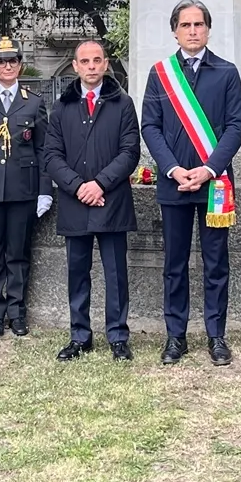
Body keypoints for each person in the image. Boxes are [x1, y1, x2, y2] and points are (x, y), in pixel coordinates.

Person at [141, 0, 241, 366]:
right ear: (175, 31)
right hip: (174, 184)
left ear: (208, 29)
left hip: (214, 185)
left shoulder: (227, 72)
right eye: (185, 25)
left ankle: (216, 335)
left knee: (215, 262)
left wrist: (210, 168)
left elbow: (236, 126)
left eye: (198, 24)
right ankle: (176, 336)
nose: (192, 31)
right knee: (175, 263)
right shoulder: (160, 73)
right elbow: (150, 126)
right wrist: (172, 168)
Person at [44, 40, 141, 362]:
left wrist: (99, 184)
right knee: (77, 272)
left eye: (97, 60)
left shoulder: (123, 104)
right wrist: (78, 187)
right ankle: (79, 337)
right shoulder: (62, 107)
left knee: (116, 274)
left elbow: (130, 152)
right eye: (84, 61)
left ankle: (118, 337)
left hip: (111, 202)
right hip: (75, 203)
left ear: (106, 64)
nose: (91, 66)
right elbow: (52, 155)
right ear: (75, 66)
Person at [0, 36, 53, 338]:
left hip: (22, 189)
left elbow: (43, 150)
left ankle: (17, 312)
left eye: (13, 61)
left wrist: (45, 189)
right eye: (1, 61)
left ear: (20, 64)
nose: (7, 66)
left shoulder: (34, 102)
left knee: (17, 253)